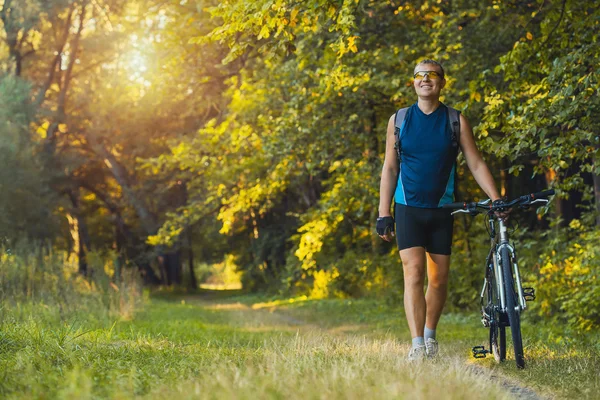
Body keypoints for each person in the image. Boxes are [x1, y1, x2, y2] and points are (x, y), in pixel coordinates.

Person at [376, 59, 504, 361]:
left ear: (442, 82)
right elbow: (390, 166)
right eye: (419, 75)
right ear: (413, 82)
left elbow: (475, 162)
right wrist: (384, 213)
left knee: (439, 279)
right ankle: (417, 344)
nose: (425, 80)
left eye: (432, 75)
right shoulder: (399, 120)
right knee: (414, 272)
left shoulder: (455, 120)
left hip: (443, 209)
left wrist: (496, 198)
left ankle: (430, 335)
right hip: (407, 207)